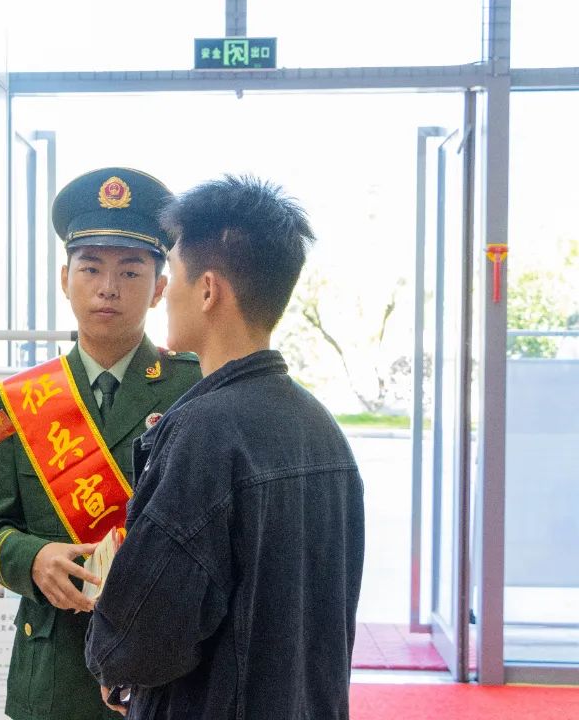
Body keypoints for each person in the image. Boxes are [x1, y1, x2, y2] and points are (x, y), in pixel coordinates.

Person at [84, 175, 365, 719]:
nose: (166, 294)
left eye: (174, 274)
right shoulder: (321, 426)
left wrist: (112, 659)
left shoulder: (203, 431)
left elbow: (141, 640)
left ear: (208, 290)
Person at [0, 168, 202, 720]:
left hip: (161, 664)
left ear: (160, 288)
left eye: (130, 271)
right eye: (91, 267)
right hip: (53, 670)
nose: (108, 287)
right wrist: (33, 558)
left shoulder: (194, 387)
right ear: (64, 278)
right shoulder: (19, 398)